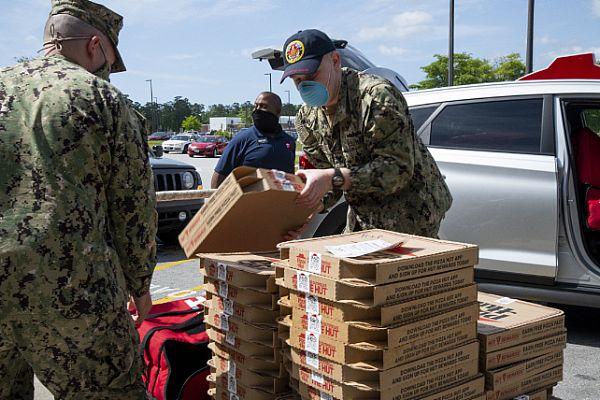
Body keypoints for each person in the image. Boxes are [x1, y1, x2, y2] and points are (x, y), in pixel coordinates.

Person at [0, 1, 157, 398]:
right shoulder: (103, 100)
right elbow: (133, 209)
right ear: (94, 46)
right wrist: (140, 283)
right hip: (75, 294)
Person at [281, 29, 452, 237]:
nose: (305, 85)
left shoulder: (375, 97)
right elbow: (325, 177)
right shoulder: (307, 118)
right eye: (297, 80)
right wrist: (308, 210)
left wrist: (333, 177)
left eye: (311, 74)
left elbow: (397, 169)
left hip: (412, 215)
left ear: (335, 61)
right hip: (364, 217)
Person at [211, 92, 296, 188]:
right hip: (248, 201)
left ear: (278, 111)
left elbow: (291, 177)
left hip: (279, 201)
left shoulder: (289, 141)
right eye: (255, 106)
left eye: (263, 106)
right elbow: (220, 175)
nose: (257, 110)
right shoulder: (241, 139)